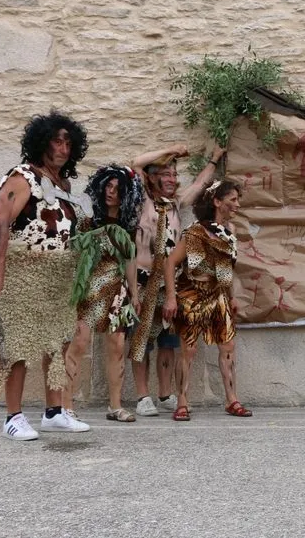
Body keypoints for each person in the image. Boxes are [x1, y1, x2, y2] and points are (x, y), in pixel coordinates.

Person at [0, 109, 92, 440]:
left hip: (58, 277)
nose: (63, 148)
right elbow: (0, 223)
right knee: (19, 343)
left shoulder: (63, 185)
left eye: (68, 142)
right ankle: (12, 417)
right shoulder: (23, 177)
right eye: (57, 141)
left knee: (56, 343)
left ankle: (54, 412)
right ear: (41, 142)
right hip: (24, 272)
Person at [129, 144, 225, 416]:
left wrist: (214, 159)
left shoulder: (174, 205)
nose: (172, 179)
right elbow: (136, 162)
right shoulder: (141, 201)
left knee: (168, 342)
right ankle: (142, 396)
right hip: (143, 282)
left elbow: (200, 185)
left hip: (169, 283)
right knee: (141, 341)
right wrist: (173, 149)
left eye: (174, 174)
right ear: (152, 178)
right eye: (165, 174)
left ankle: (164, 393)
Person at [163, 179, 251, 421]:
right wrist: (170, 297)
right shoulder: (195, 232)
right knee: (188, 350)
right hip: (192, 294)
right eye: (233, 199)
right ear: (217, 202)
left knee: (228, 346)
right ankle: (182, 401)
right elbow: (170, 262)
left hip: (218, 295)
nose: (237, 204)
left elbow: (225, 267)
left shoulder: (230, 232)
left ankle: (232, 399)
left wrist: (231, 296)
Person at [70, 165, 144, 422]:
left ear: (127, 195)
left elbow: (130, 258)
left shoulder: (127, 225)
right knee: (79, 342)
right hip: (87, 288)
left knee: (117, 346)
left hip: (116, 290)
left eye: (118, 189)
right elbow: (74, 250)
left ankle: (115, 406)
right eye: (108, 187)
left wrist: (134, 293)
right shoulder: (88, 218)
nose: (111, 192)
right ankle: (65, 406)